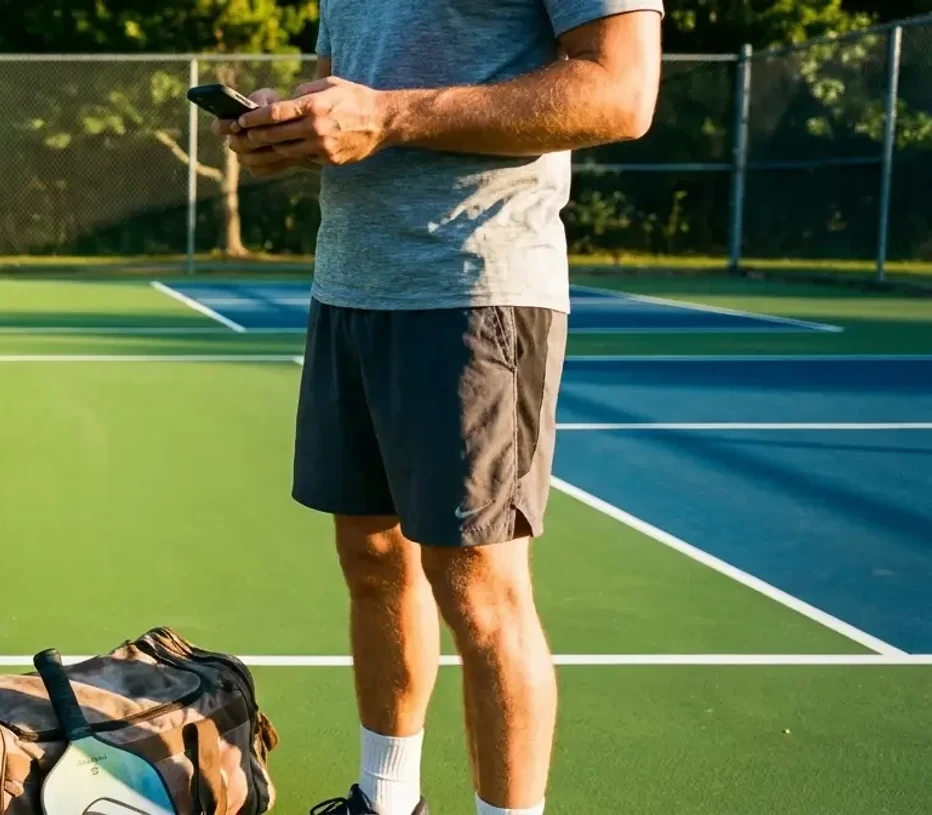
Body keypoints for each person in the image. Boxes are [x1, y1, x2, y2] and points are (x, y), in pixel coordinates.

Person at [214, 2, 663, 814]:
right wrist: (292, 126)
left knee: (480, 588)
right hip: (352, 281)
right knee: (373, 557)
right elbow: (347, 85)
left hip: (475, 285)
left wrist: (387, 116)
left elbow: (621, 91)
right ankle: (386, 800)